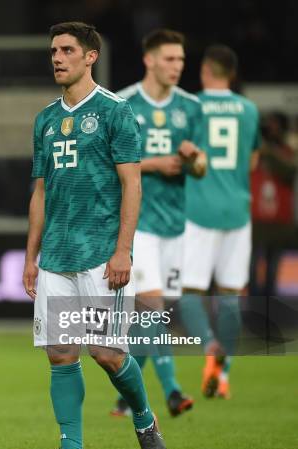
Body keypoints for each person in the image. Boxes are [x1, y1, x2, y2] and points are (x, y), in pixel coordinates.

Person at [22, 21, 166, 449]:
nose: (57, 58)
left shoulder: (113, 111)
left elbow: (132, 183)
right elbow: (40, 193)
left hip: (101, 254)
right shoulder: (45, 119)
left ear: (90, 57)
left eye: (66, 50)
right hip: (56, 258)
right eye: (52, 51)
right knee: (61, 353)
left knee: (106, 354)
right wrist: (31, 256)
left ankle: (145, 422)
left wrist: (123, 250)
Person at [112, 29, 206, 418]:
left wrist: (192, 157)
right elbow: (108, 163)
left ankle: (124, 396)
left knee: (153, 318)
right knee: (150, 306)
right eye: (169, 59)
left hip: (174, 224)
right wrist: (153, 164)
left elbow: (201, 169)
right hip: (139, 223)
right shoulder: (124, 103)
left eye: (181, 60)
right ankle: (172, 391)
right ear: (149, 60)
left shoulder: (191, 106)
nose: (177, 66)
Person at [181, 45, 261, 399]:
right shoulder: (249, 110)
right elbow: (253, 162)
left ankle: (209, 345)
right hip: (238, 211)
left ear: (205, 70)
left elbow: (183, 157)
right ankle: (222, 374)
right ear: (233, 73)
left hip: (199, 210)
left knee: (189, 292)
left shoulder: (191, 106)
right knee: (230, 295)